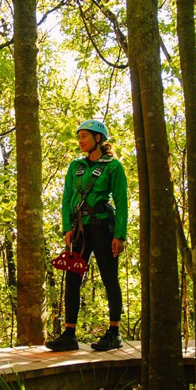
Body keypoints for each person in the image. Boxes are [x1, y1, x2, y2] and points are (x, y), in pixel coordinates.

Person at [46, 119, 128, 352]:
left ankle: (114, 333)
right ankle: (69, 334)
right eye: (79, 136)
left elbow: (121, 202)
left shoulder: (113, 166)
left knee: (109, 277)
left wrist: (120, 235)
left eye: (84, 136)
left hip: (102, 228)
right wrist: (67, 228)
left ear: (98, 138)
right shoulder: (75, 166)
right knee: (72, 278)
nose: (80, 140)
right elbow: (67, 198)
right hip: (79, 230)